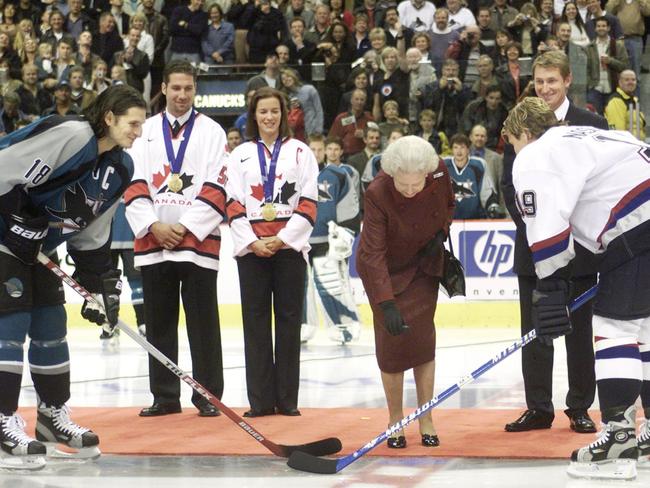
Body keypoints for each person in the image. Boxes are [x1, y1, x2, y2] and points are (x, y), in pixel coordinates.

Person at [502, 96, 650, 481]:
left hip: (638, 227)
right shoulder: (591, 136)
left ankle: (618, 438)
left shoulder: (535, 153)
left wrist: (549, 286)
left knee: (614, 329)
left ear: (523, 133)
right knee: (647, 331)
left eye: (512, 141)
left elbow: (547, 221)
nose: (513, 151)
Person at [0, 85, 146, 470]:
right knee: (10, 323)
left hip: (40, 251)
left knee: (51, 325)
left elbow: (92, 233)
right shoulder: (73, 134)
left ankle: (51, 419)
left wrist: (95, 284)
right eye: (133, 123)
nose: (138, 132)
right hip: (2, 242)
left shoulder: (120, 168)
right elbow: (5, 169)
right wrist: (15, 220)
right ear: (109, 118)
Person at [501, 50, 608, 435]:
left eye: (551, 81)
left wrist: (568, 231)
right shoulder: (520, 120)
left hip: (580, 252)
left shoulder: (590, 124)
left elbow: (596, 188)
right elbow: (509, 188)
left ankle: (579, 407)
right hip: (532, 252)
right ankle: (538, 408)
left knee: (579, 335)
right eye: (539, 81)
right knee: (535, 334)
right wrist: (538, 228)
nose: (545, 88)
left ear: (566, 81)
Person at [124, 60, 227, 419]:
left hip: (197, 245)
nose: (182, 95)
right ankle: (165, 396)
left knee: (203, 323)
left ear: (195, 90)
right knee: (159, 323)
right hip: (154, 244)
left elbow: (219, 184)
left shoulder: (212, 131)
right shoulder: (146, 130)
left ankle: (207, 396)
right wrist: (154, 226)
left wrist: (183, 227)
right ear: (164, 89)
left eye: (189, 89)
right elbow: (132, 181)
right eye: (176, 88)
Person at [356, 135, 454, 449]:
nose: (411, 191)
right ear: (392, 175)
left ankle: (426, 416)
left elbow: (448, 204)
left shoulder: (438, 172)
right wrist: (386, 304)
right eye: (404, 185)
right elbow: (372, 254)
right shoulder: (377, 192)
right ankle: (395, 419)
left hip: (423, 264)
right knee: (392, 342)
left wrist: (439, 235)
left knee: (423, 340)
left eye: (417, 185)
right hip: (386, 270)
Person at [225, 86, 318, 418]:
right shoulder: (239, 155)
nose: (269, 117)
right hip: (251, 250)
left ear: (284, 115)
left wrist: (282, 239)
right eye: (263, 112)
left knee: (290, 322)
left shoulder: (300, 152)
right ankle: (261, 402)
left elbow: (308, 201)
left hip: (289, 249)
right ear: (254, 116)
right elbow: (232, 202)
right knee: (256, 322)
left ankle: (287, 400)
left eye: (275, 111)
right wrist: (252, 241)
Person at [301, 134, 361, 345]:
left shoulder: (338, 175)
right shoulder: (296, 173)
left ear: (325, 150)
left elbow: (350, 208)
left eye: (319, 150)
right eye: (312, 150)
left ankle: (342, 327)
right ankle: (302, 327)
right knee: (299, 287)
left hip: (326, 241)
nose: (316, 154)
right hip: (300, 241)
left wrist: (345, 234)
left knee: (331, 285)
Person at [444, 133, 501, 219]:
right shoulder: (444, 165)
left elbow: (488, 190)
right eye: (455, 147)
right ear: (451, 149)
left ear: (468, 149)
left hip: (475, 221)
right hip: (450, 221)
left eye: (462, 147)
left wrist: (492, 206)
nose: (459, 151)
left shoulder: (479, 165)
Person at [586, 16, 628, 115]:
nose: (601, 28)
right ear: (595, 28)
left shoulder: (618, 45)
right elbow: (585, 69)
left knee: (613, 119)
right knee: (594, 120)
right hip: (595, 88)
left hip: (613, 88)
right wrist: (590, 85)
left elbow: (625, 67)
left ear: (608, 28)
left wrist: (610, 61)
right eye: (599, 26)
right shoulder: (589, 47)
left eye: (604, 26)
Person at [604, 69, 645, 140]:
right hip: (628, 147)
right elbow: (618, 132)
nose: (631, 82)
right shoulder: (616, 101)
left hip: (637, 146)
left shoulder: (634, 100)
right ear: (620, 82)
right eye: (627, 80)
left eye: (633, 80)